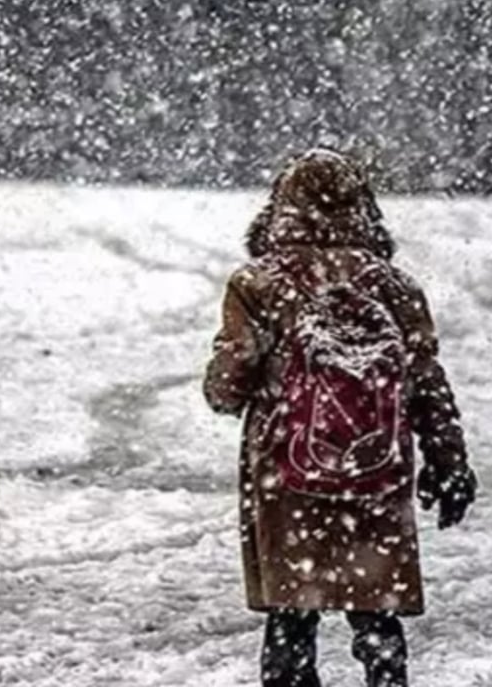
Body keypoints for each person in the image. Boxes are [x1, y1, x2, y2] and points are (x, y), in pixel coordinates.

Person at [203, 149, 477, 687]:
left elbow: (231, 380)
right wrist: (449, 462)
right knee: (374, 606)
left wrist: (224, 384)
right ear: (362, 207)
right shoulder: (396, 287)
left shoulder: (258, 284)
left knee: (291, 614)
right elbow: (425, 381)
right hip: (376, 464)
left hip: (287, 467)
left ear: (280, 209)